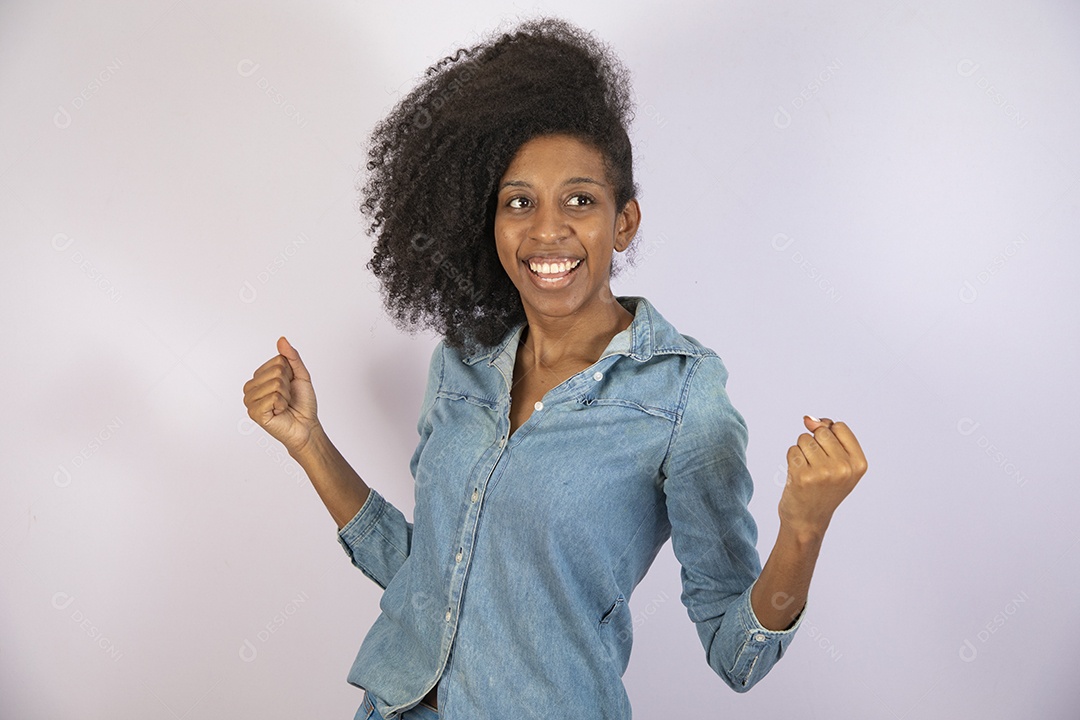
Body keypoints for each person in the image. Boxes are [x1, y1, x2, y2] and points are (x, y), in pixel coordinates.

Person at [242, 17, 867, 720]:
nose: (546, 230)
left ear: (623, 222)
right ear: (491, 221)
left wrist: (804, 528)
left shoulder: (683, 395)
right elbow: (428, 581)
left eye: (579, 200)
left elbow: (737, 653)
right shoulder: (464, 362)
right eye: (519, 202)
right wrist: (308, 443)